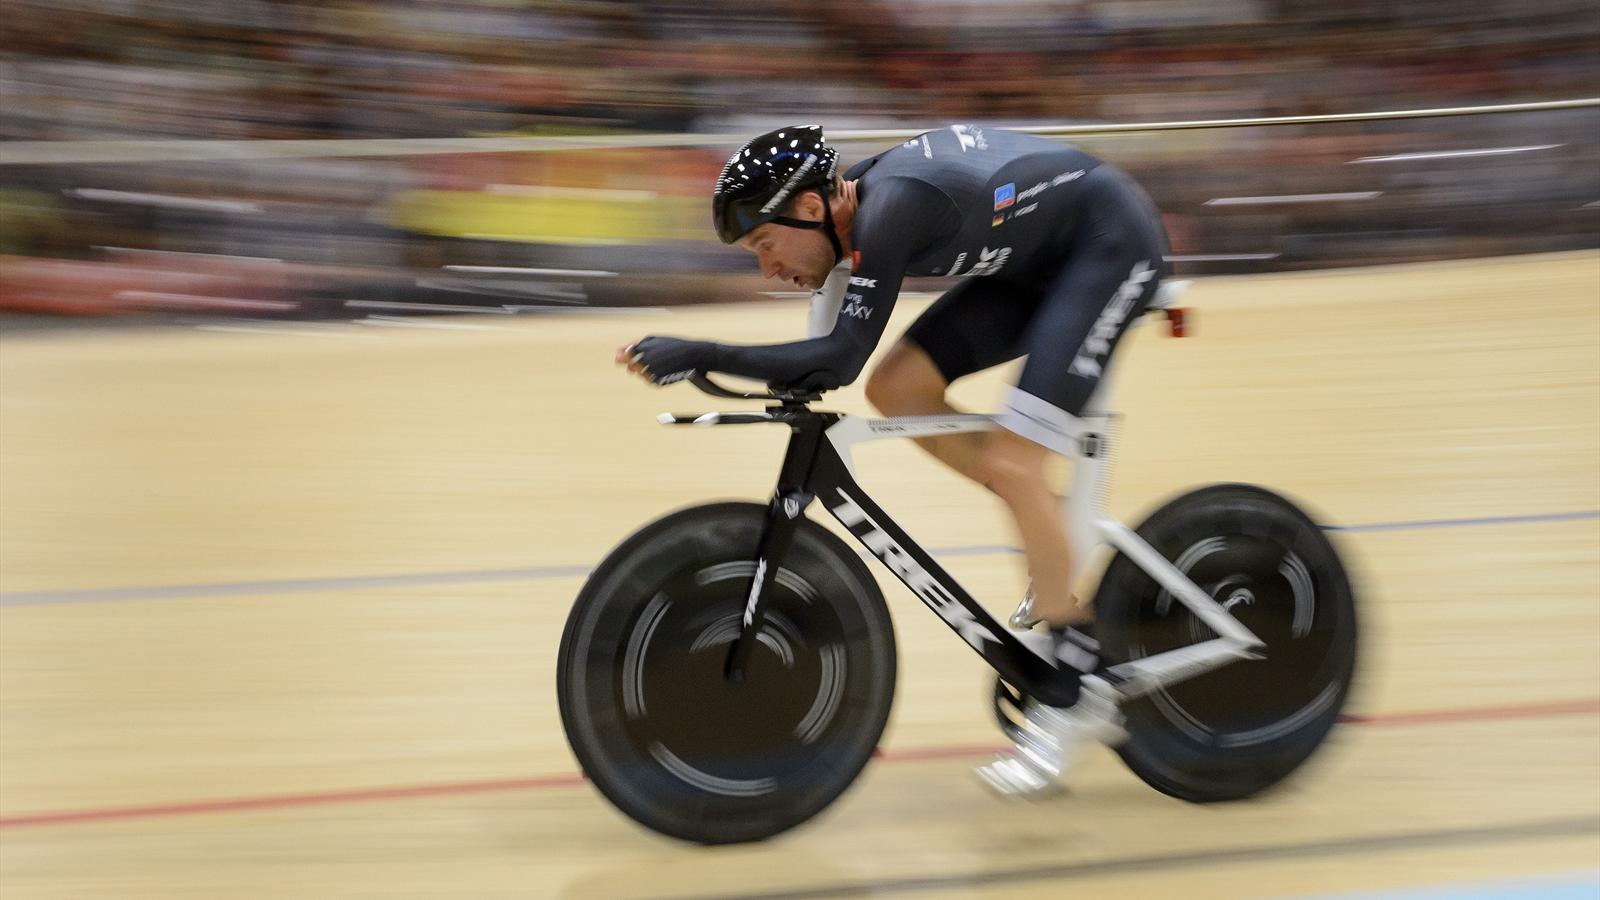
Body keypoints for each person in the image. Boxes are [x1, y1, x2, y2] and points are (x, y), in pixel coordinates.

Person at [617, 124, 1169, 795]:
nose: (766, 269)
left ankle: (1075, 689)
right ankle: (1047, 521)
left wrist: (704, 351)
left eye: (764, 244)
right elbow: (824, 368)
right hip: (1035, 261)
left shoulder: (892, 208)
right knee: (898, 387)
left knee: (1014, 462)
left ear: (812, 209)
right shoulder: (840, 229)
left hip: (1105, 244)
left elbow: (836, 359)